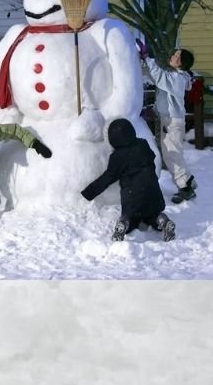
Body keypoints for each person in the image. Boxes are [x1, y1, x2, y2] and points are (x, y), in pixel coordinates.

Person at [81, 118, 176, 241]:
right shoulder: (143, 144)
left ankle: (124, 223)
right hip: (153, 193)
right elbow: (152, 157)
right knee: (152, 214)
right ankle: (162, 220)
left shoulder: (117, 157)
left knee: (132, 218)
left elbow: (108, 177)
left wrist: (89, 192)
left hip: (133, 196)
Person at [141, 42, 197, 203]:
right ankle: (189, 181)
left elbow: (159, 77)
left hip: (172, 123)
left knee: (171, 156)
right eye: (175, 53)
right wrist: (154, 109)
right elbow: (161, 85)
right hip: (170, 120)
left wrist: (147, 58)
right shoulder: (177, 77)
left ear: (182, 62)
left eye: (178, 56)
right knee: (175, 155)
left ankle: (185, 189)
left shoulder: (177, 79)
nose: (173, 56)